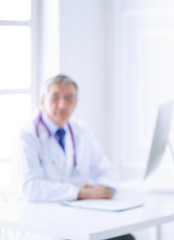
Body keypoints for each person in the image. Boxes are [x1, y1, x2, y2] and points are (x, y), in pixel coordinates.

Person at [13, 74, 135, 240]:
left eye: (69, 98)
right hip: (39, 223)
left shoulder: (80, 130)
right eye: (55, 97)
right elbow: (30, 188)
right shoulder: (27, 136)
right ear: (42, 100)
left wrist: (100, 189)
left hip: (75, 217)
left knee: (123, 238)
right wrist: (79, 193)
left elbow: (107, 171)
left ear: (76, 103)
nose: (62, 105)